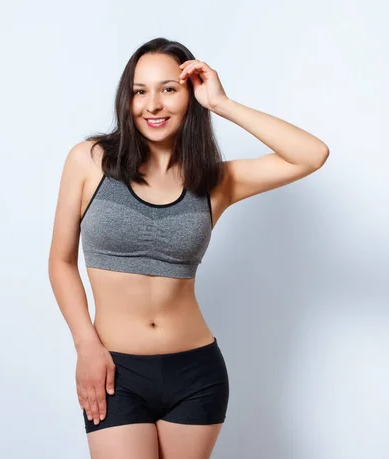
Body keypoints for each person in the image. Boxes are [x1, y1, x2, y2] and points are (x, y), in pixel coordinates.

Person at [48, 37, 329, 459]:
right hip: (113, 370)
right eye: (140, 92)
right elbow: (61, 261)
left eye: (168, 89)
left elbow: (311, 155)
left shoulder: (214, 181)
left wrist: (223, 103)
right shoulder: (89, 161)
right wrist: (86, 345)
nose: (152, 105)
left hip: (196, 373)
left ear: (191, 96)